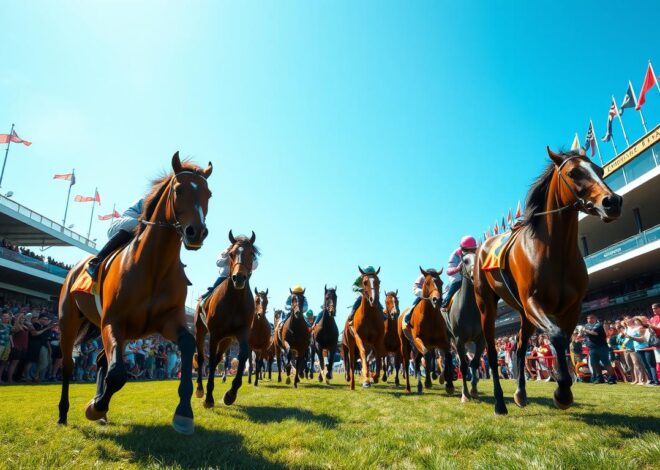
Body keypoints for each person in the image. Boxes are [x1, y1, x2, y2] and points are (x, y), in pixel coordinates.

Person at [86, 199, 144, 278]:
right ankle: (95, 262)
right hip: (119, 225)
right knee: (138, 224)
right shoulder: (148, 199)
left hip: (133, 231)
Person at [441, 236, 478, 312]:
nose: (469, 252)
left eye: (473, 250)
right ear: (462, 248)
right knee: (456, 282)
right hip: (458, 275)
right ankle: (445, 303)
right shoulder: (455, 254)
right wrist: (457, 268)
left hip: (472, 274)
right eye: (466, 250)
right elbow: (448, 271)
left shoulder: (478, 252)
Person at [401, 268, 441, 337]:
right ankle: (407, 318)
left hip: (432, 295)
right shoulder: (422, 277)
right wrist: (424, 294)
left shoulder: (434, 278)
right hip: (421, 294)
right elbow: (416, 287)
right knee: (414, 305)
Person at [582, 314, 617, 384]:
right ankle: (599, 378)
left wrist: (585, 330)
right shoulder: (586, 326)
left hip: (601, 347)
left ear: (595, 318)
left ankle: (612, 378)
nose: (589, 320)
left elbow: (594, 333)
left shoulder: (599, 325)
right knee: (595, 364)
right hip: (592, 348)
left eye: (591, 318)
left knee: (606, 363)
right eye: (588, 318)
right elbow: (585, 335)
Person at [0, 312, 12, 383]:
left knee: (3, 363)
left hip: (7, 346)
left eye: (7, 318)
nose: (6, 319)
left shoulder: (9, 326)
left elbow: (15, 330)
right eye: (4, 317)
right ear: (1, 317)